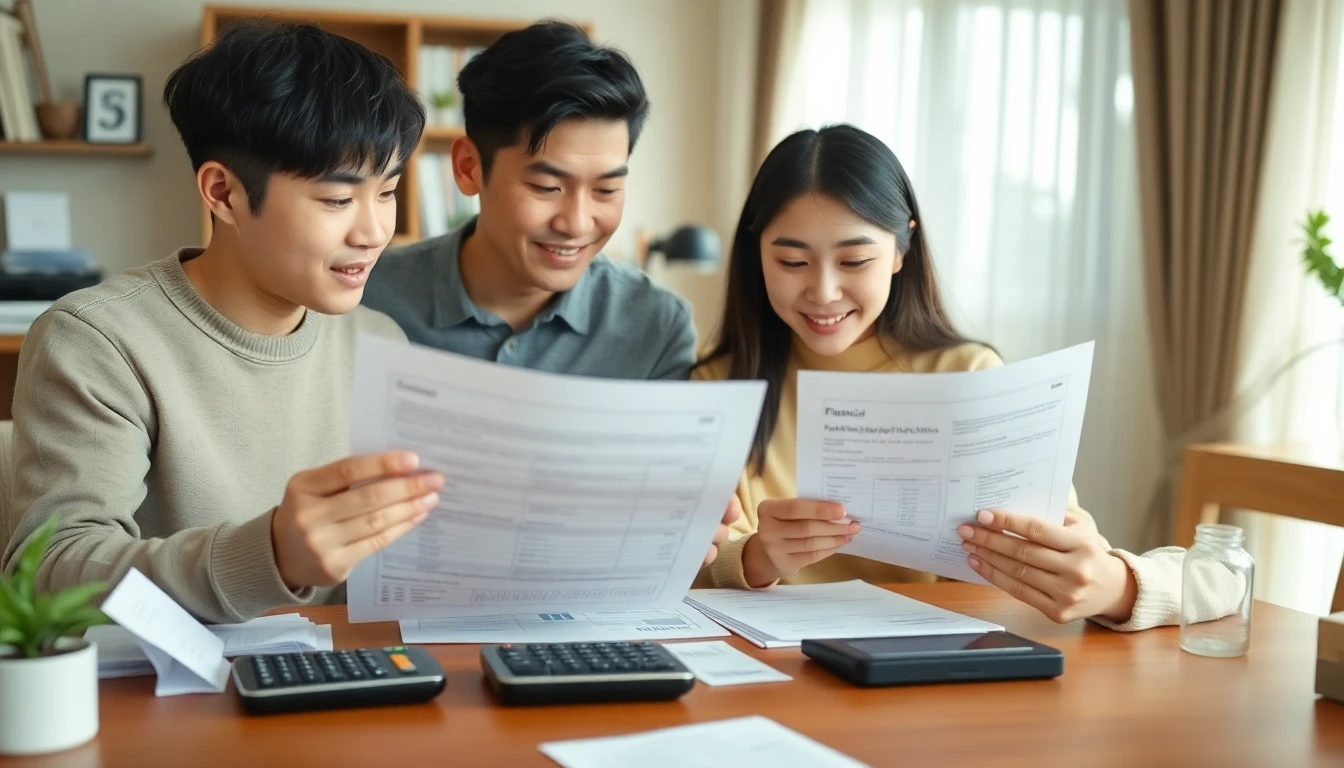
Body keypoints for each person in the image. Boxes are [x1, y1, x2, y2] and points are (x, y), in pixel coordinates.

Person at [693, 124, 1239, 630]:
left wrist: (1115, 586)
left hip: (938, 676)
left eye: (855, 261)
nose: (824, 291)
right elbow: (666, 578)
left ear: (902, 249)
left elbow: (1078, 558)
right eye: (792, 263)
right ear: (756, 252)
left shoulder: (971, 376)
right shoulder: (715, 389)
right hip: (769, 679)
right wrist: (758, 558)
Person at [1, 21, 437, 624]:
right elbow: (51, 574)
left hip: (348, 680)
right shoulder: (97, 340)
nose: (372, 233)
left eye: (386, 192)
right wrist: (271, 556)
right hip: (170, 703)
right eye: (338, 200)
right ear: (223, 193)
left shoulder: (379, 341)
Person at [364, 20, 739, 564]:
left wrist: (686, 537)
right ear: (469, 167)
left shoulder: (656, 327)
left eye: (607, 188)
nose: (577, 221)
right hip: (394, 626)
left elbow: (662, 519)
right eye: (546, 187)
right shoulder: (365, 298)